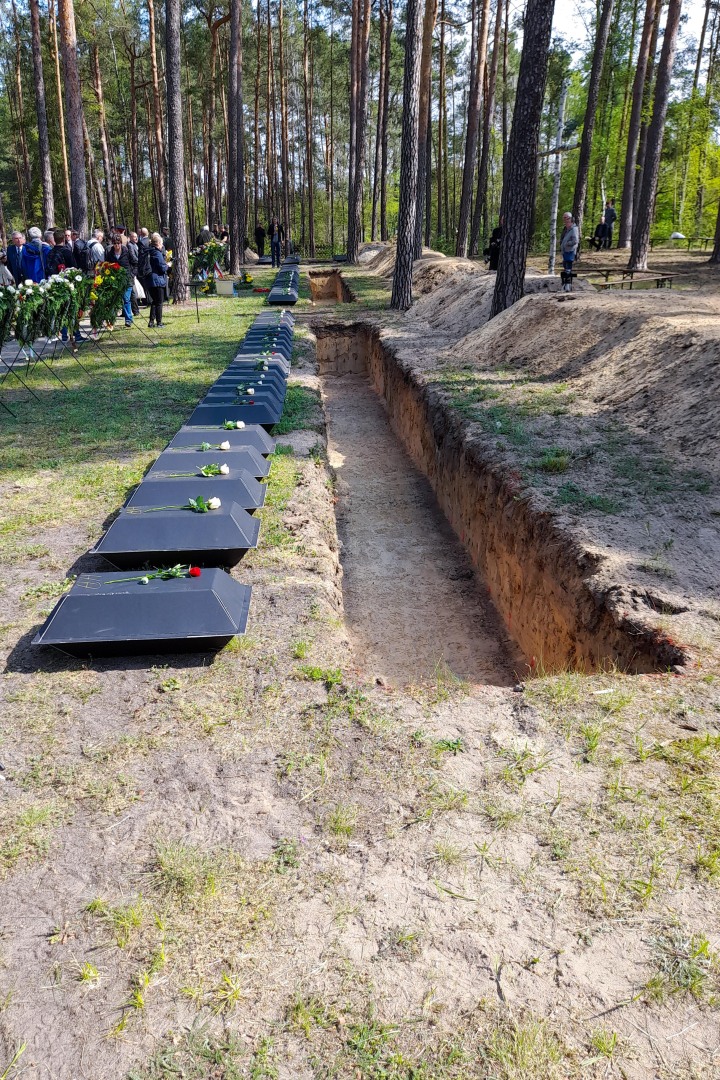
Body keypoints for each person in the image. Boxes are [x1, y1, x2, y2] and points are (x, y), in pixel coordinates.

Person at [106, 231, 138, 327]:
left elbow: (135, 263)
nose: (116, 246)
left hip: (127, 280)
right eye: (115, 244)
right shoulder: (110, 253)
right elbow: (107, 265)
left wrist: (132, 274)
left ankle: (128, 319)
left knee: (126, 299)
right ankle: (111, 319)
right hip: (116, 280)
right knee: (116, 300)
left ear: (121, 243)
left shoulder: (127, 251)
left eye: (118, 243)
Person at [147, 232, 168, 328]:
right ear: (158, 243)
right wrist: (168, 265)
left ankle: (151, 321)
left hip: (150, 280)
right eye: (161, 243)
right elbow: (162, 268)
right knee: (159, 302)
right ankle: (159, 322)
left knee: (154, 302)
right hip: (157, 280)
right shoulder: (157, 253)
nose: (162, 245)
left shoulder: (150, 251)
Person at [559, 212, 579, 292]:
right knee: (565, 268)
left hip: (570, 251)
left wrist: (567, 244)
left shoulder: (574, 229)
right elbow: (563, 238)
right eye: (564, 218)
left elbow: (575, 241)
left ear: (570, 219)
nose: (565, 220)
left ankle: (567, 286)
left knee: (568, 268)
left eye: (566, 218)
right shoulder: (565, 229)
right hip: (565, 251)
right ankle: (565, 285)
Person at [137, 227, 152, 300]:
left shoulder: (141, 243)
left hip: (144, 265)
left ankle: (148, 300)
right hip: (148, 265)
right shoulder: (149, 241)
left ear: (141, 234)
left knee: (145, 284)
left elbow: (141, 255)